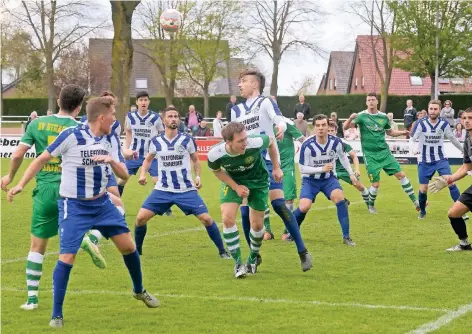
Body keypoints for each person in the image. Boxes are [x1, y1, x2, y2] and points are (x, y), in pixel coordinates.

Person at [8, 96, 161, 328]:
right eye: (112, 114)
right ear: (102, 117)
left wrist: (110, 159)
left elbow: (124, 175)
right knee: (67, 257)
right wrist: (20, 183)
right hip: (74, 207)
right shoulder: (72, 135)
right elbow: (41, 159)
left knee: (129, 247)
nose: (115, 118)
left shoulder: (110, 137)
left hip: (102, 204)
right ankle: (56, 315)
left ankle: (139, 291)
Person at [1, 84, 105, 311]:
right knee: (112, 212)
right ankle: (88, 237)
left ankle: (32, 299)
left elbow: (18, 153)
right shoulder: (80, 128)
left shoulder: (37, 124)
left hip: (46, 190)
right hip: (72, 189)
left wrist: (10, 177)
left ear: (58, 101)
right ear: (78, 108)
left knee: (37, 245)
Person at [208, 122, 312, 278]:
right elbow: (216, 171)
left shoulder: (255, 141)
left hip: (259, 182)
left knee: (257, 225)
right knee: (227, 218)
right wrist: (236, 187)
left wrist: (276, 167)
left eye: (245, 138)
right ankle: (238, 264)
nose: (245, 143)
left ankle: (253, 257)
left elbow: (271, 142)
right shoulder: (215, 153)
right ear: (228, 142)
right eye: (240, 141)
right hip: (234, 182)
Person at [231, 69, 310, 271]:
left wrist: (281, 127)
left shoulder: (265, 102)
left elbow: (278, 118)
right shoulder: (236, 110)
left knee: (279, 205)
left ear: (255, 84)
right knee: (246, 210)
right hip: (247, 166)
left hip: (267, 162)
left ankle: (302, 251)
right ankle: (253, 257)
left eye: (243, 81)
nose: (239, 85)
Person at [134, 107, 230, 259]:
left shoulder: (187, 140)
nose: (174, 119)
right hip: (162, 190)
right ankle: (136, 252)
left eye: (176, 116)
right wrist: (142, 174)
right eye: (170, 116)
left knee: (206, 219)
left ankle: (222, 251)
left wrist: (198, 177)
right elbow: (147, 160)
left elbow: (196, 160)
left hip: (186, 189)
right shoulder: (156, 142)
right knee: (140, 219)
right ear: (164, 120)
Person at [344, 93, 419, 214]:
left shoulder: (383, 117)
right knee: (375, 184)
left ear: (377, 102)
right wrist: (350, 118)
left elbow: (389, 132)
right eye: (368, 100)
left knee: (401, 175)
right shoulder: (362, 116)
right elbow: (345, 127)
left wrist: (402, 132)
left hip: (385, 152)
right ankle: (371, 206)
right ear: (366, 102)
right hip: (370, 155)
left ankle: (416, 202)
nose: (371, 102)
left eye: (373, 99)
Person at [294, 114, 357, 246]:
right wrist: (321, 169)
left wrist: (351, 173)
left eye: (323, 125)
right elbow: (302, 168)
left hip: (329, 179)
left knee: (340, 198)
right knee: (304, 206)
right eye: (318, 125)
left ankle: (346, 237)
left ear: (328, 127)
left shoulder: (336, 142)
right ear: (314, 127)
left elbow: (343, 158)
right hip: (310, 180)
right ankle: (291, 230)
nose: (321, 128)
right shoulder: (307, 144)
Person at [409, 99, 463, 219]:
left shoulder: (444, 124)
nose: (432, 111)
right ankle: (422, 211)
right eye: (431, 109)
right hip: (424, 161)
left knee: (450, 182)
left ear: (440, 110)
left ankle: (460, 210)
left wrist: (464, 150)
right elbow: (412, 139)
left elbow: (453, 139)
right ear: (428, 109)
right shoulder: (420, 123)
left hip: (440, 159)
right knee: (423, 189)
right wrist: (413, 149)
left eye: (435, 109)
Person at [429, 107, 472, 251]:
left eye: (470, 118)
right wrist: (448, 180)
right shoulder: (467, 140)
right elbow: (466, 168)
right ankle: (464, 244)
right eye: (465, 118)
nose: (467, 121)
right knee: (454, 213)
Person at [117, 91, 164, 196]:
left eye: (145, 100)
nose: (143, 102)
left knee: (157, 181)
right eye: (141, 100)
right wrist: (127, 150)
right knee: (122, 179)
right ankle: (115, 202)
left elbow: (162, 134)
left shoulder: (155, 117)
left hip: (151, 155)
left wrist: (159, 151)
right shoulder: (130, 116)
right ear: (137, 102)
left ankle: (165, 205)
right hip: (134, 154)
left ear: (149, 102)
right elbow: (128, 132)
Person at [266, 117, 305, 241]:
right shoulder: (261, 124)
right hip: (268, 166)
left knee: (288, 199)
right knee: (261, 197)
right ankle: (267, 230)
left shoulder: (287, 123)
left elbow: (302, 139)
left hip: (286, 167)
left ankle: (287, 230)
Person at [80, 91, 123, 199]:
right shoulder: (86, 120)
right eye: (105, 101)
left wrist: (125, 153)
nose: (108, 103)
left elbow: (114, 144)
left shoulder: (116, 124)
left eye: (111, 102)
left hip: (105, 164)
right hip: (88, 163)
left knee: (116, 196)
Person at [328, 121, 370, 209]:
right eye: (328, 131)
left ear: (336, 131)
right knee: (328, 191)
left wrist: (357, 169)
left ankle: (370, 206)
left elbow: (354, 156)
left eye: (332, 130)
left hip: (344, 169)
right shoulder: (321, 142)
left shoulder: (342, 142)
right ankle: (344, 201)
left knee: (360, 187)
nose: (330, 133)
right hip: (330, 170)